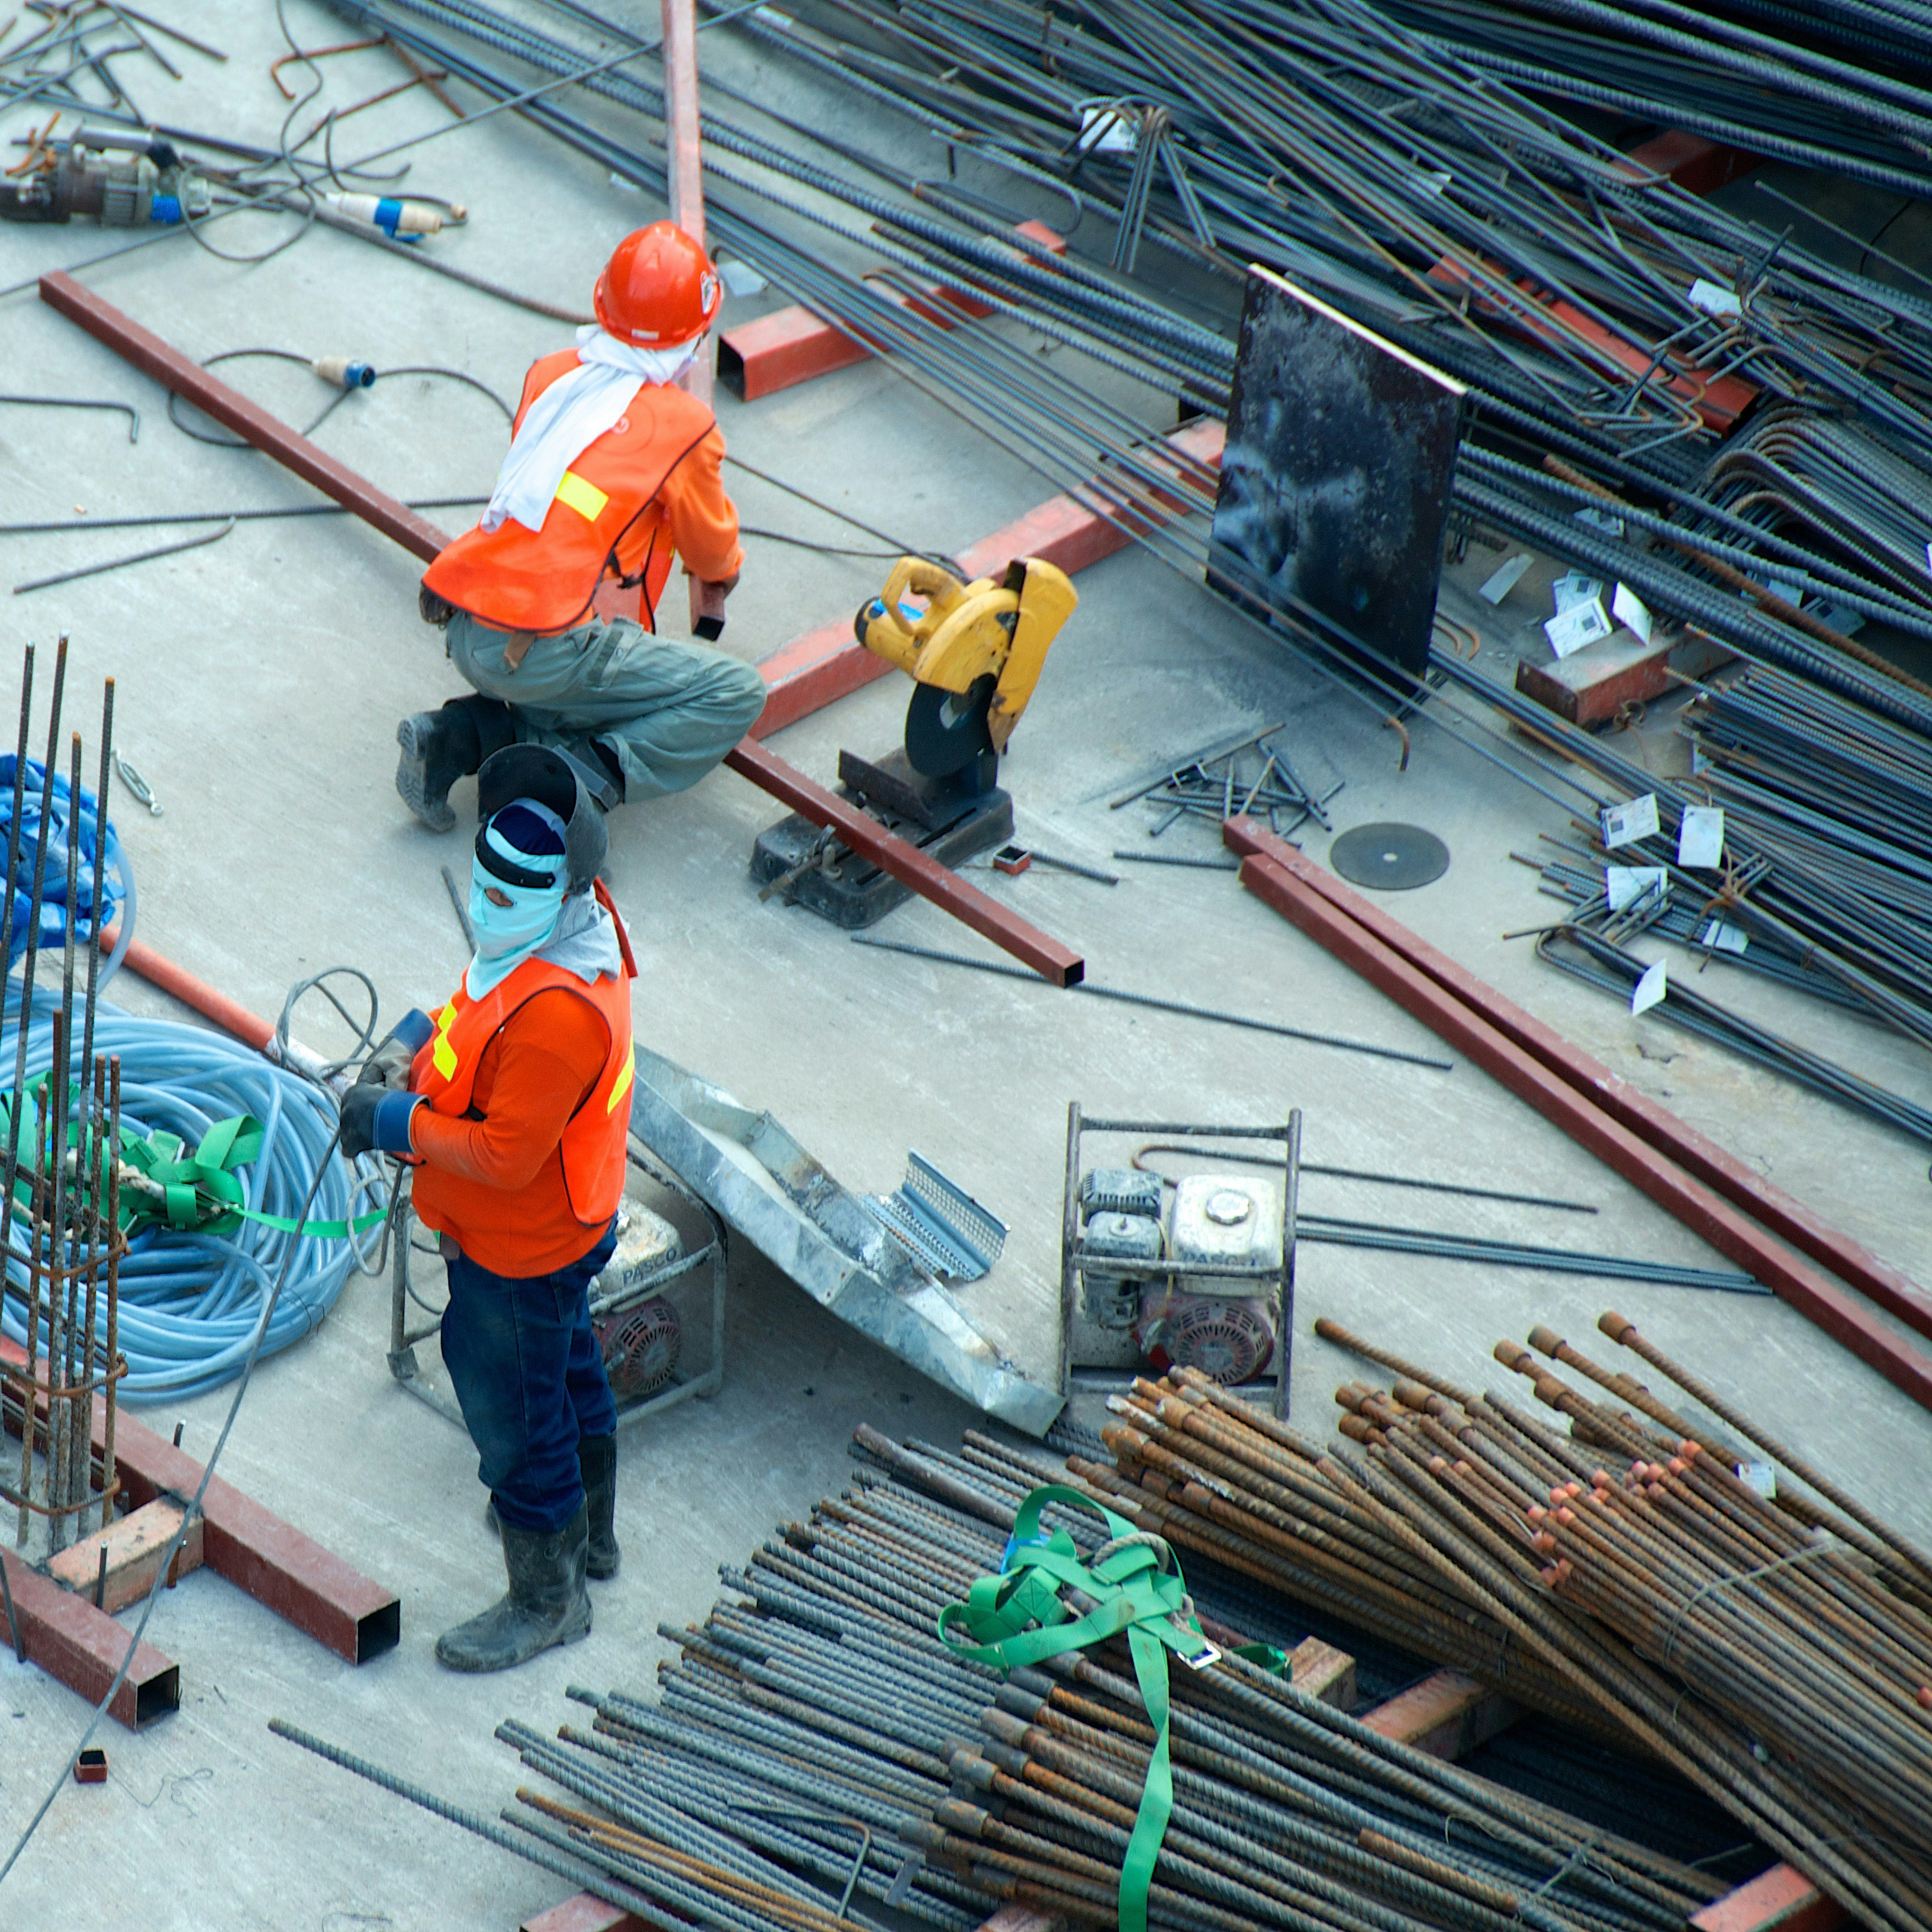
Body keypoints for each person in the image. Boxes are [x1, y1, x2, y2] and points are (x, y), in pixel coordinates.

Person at [343, 745, 638, 1672]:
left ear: (562, 890)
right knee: (568, 1366)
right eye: (483, 887)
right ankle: (589, 1540)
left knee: (517, 1417)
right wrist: (420, 1052)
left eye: (509, 899)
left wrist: (397, 1117)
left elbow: (507, 1155)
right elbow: (481, 1020)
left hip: (523, 1245)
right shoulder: (560, 936)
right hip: (566, 1225)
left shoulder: (559, 1014)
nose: (486, 909)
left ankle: (549, 1600)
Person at [400, 221, 766, 832]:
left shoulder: (553, 375)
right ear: (696, 333)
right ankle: (575, 785)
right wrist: (721, 576)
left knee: (583, 680)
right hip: (544, 646)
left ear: (605, 304)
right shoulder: (685, 426)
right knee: (732, 692)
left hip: (469, 621)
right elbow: (711, 552)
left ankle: (455, 738)